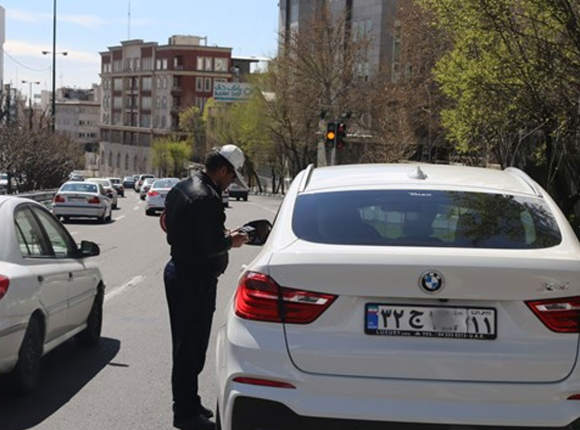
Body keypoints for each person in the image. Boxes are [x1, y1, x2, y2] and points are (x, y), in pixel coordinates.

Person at [163, 145, 249, 430]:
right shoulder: (207, 198)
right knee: (190, 349)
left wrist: (218, 235)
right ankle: (185, 415)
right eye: (232, 177)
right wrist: (231, 240)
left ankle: (189, 401)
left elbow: (170, 225)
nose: (231, 184)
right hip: (194, 280)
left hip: (180, 272)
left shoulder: (182, 187)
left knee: (186, 346)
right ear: (223, 170)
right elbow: (209, 246)